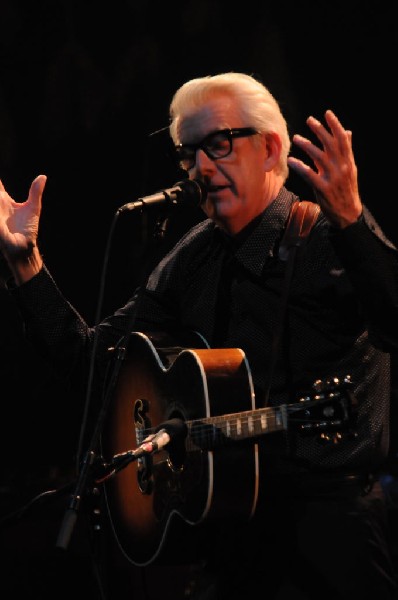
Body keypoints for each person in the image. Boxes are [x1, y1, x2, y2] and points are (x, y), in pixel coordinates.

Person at [1, 71, 398, 599]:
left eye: (218, 145)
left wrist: (350, 219)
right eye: (188, 155)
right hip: (230, 532)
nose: (201, 169)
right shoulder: (194, 255)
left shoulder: (328, 235)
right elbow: (94, 366)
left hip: (333, 533)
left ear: (271, 147)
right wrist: (25, 264)